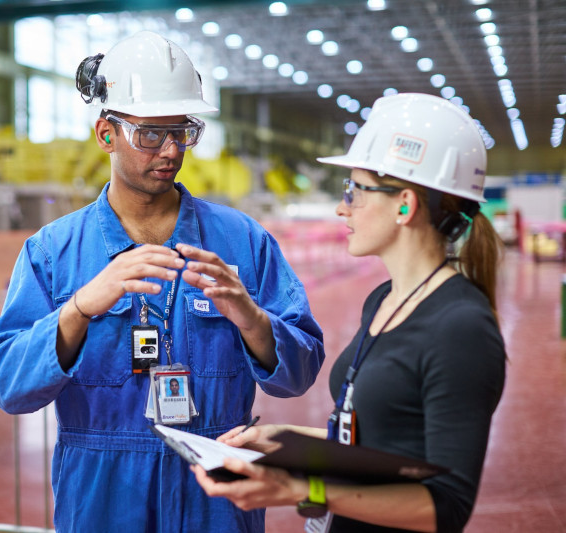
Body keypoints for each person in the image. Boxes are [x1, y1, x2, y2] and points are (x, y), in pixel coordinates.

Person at [0, 31, 325, 533]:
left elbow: (300, 373)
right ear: (106, 134)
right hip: (102, 498)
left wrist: (253, 320)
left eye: (182, 131)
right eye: (150, 134)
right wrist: (77, 311)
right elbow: (7, 385)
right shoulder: (53, 252)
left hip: (217, 495)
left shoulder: (242, 243)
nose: (170, 150)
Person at [192, 93, 506, 533]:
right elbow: (379, 441)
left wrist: (301, 488)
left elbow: (446, 504)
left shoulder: (461, 328)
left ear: (405, 204)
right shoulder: (383, 299)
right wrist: (286, 442)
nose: (343, 207)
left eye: (354, 191)